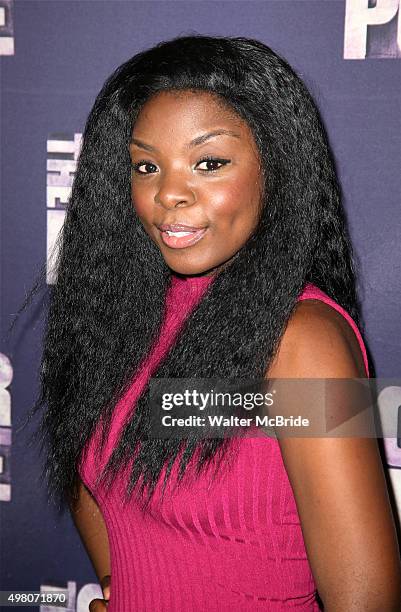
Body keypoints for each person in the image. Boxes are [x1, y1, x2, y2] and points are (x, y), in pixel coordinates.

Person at [25, 35, 400, 610]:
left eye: (210, 162)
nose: (169, 192)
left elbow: (366, 598)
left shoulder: (307, 343)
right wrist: (116, 589)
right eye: (146, 165)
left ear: (274, 169)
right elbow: (92, 457)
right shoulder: (123, 313)